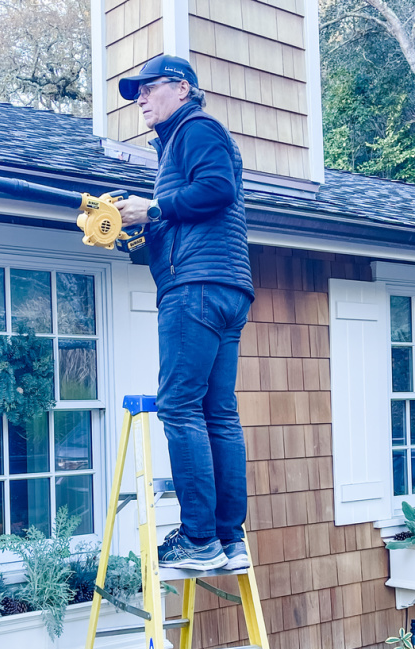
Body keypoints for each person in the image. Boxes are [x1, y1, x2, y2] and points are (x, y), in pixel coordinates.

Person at [115, 55, 254, 571]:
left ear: (183, 89)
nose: (141, 99)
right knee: (218, 413)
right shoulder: (182, 143)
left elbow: (217, 189)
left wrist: (151, 209)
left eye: (149, 89)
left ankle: (198, 538)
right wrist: (136, 234)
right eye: (136, 94)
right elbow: (193, 215)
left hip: (194, 290)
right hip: (225, 287)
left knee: (180, 408)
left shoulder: (196, 129)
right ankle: (227, 538)